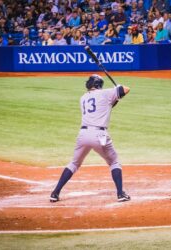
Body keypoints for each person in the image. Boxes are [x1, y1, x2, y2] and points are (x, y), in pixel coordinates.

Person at [50, 74, 131, 203]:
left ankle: (55, 193)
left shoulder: (83, 97)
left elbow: (107, 106)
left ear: (92, 84)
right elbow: (126, 89)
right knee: (114, 162)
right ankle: (120, 193)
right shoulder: (106, 93)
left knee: (74, 163)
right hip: (99, 135)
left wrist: (116, 96)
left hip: (83, 135)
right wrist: (118, 88)